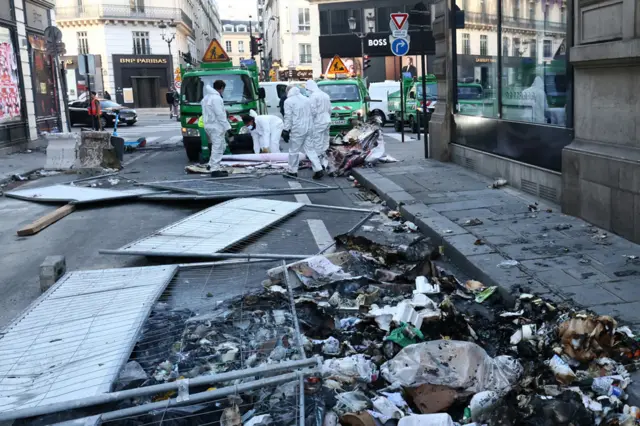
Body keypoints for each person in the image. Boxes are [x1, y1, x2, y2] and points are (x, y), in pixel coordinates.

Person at [282, 86, 323, 179]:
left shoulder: (288, 102)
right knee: (310, 149)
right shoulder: (307, 99)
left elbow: (288, 116)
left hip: (298, 129)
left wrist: (286, 129)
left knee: (293, 150)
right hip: (309, 127)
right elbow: (314, 112)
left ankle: (292, 171)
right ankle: (318, 169)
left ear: (288, 92)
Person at [202, 80, 231, 177]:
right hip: (216, 126)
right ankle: (215, 169)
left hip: (209, 125)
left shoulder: (207, 97)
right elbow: (220, 115)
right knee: (218, 147)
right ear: (222, 88)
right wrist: (228, 127)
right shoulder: (216, 98)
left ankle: (211, 164)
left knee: (221, 146)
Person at [305, 79, 331, 169]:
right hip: (327, 120)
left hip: (318, 122)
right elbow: (329, 109)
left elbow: (313, 111)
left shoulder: (313, 96)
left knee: (317, 143)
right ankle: (325, 162)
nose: (307, 91)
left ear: (310, 88)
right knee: (325, 142)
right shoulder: (325, 95)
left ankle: (318, 165)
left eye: (307, 89)